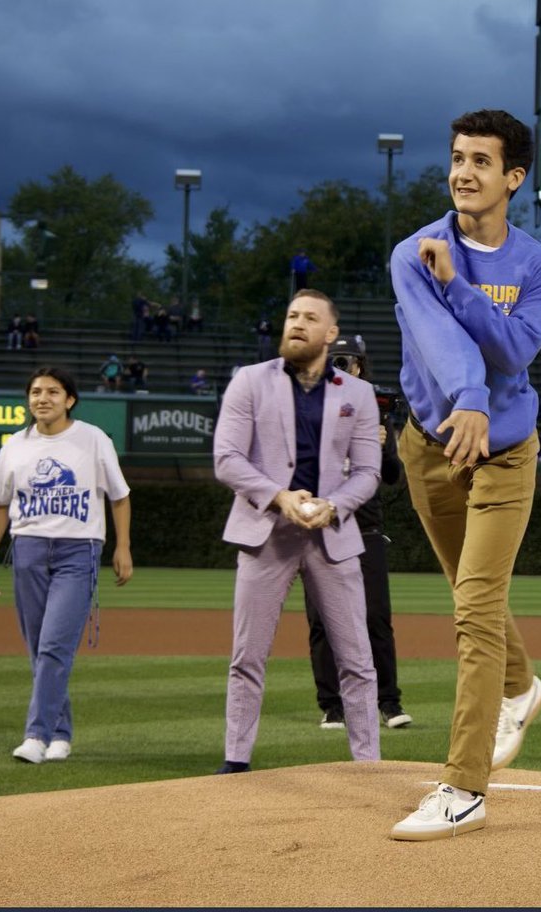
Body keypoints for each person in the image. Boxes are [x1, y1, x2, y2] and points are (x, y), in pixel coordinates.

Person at [388, 109, 541, 842]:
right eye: (457, 158)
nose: (463, 171)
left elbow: (515, 352)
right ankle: (522, 688)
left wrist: (461, 286)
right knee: (468, 594)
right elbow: (437, 345)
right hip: (428, 446)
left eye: (480, 162)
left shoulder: (540, 267)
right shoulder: (413, 251)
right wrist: (464, 399)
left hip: (503, 454)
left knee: (473, 612)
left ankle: (464, 788)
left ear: (512, 179)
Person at [212, 289, 381, 776]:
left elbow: (367, 472)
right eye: (291, 316)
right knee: (247, 657)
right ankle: (236, 759)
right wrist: (280, 496)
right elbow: (227, 459)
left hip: (332, 535)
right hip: (266, 532)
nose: (297, 324)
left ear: (330, 334)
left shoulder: (359, 394)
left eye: (310, 318)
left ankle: (368, 765)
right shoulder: (249, 381)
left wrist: (335, 505)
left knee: (357, 660)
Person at [0, 367, 133, 763]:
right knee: (40, 650)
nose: (42, 398)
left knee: (53, 646)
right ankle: (61, 733)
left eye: (52, 391)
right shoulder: (15, 445)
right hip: (27, 547)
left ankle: (36, 735)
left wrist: (123, 547)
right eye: (35, 392)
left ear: (70, 400)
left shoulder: (93, 439)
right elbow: (0, 502)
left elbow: (119, 496)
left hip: (78, 551)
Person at [307, 335, 412, 732]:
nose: (341, 366)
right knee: (321, 620)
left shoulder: (374, 413)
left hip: (366, 525)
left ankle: (389, 702)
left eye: (348, 361)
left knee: (376, 618)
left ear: (360, 366)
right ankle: (332, 705)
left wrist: (381, 447)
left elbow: (391, 478)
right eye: (334, 359)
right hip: (322, 524)